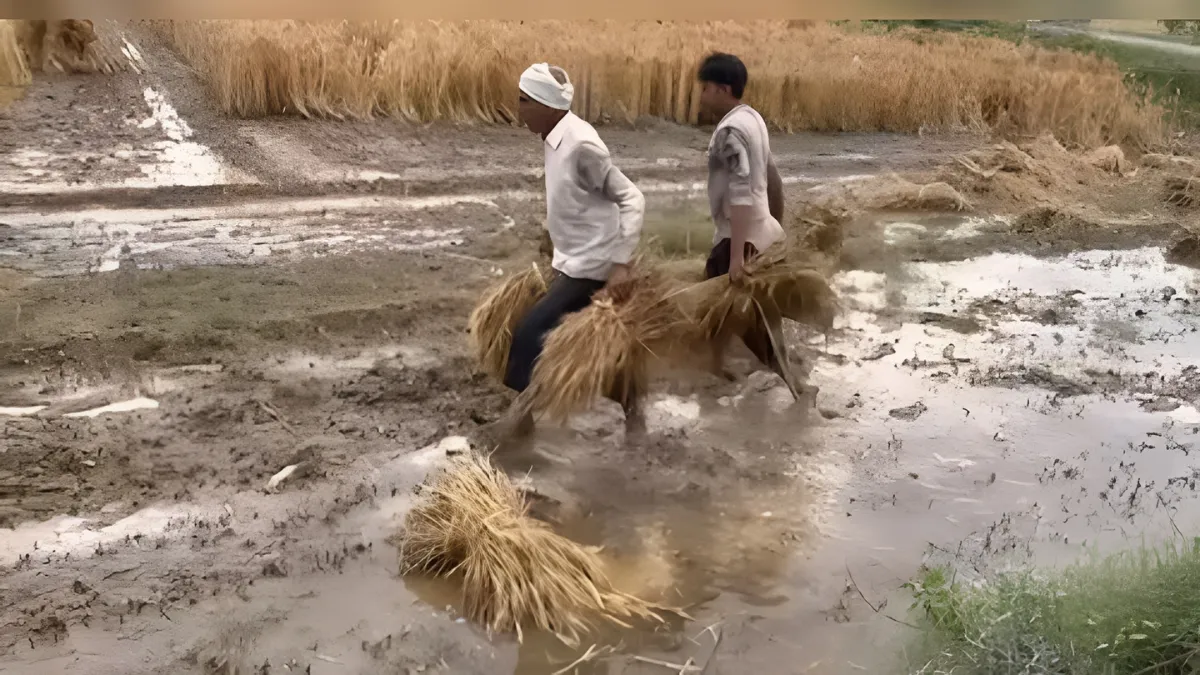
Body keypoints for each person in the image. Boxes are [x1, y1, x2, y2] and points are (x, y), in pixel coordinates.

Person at [474, 62, 647, 451]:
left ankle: (521, 426)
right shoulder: (555, 136)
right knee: (580, 344)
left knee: (531, 333)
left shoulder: (581, 145)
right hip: (571, 260)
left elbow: (632, 197)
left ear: (546, 104)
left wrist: (621, 264)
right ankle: (634, 415)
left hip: (593, 265)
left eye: (523, 101)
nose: (517, 108)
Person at [696, 52, 793, 386]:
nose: (701, 95)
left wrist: (737, 256)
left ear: (723, 89)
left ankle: (787, 378)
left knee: (717, 314)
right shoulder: (753, 119)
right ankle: (720, 375)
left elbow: (739, 195)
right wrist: (775, 227)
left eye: (705, 87)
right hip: (761, 231)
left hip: (737, 237)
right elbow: (773, 176)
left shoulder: (729, 132)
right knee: (727, 315)